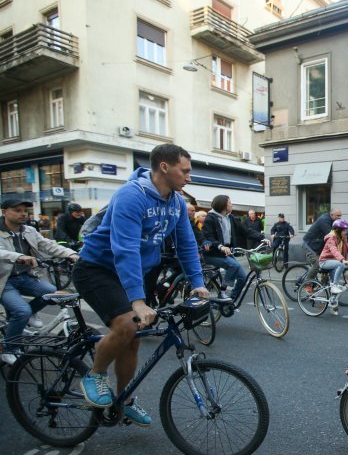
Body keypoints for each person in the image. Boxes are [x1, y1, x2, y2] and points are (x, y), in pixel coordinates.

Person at [72, 144, 208, 426]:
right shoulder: (130, 196)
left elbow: (186, 245)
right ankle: (94, 374)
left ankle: (124, 399)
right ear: (164, 167)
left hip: (135, 272)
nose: (189, 177)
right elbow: (125, 250)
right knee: (127, 324)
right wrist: (137, 300)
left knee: (132, 340)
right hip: (98, 269)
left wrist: (198, 284)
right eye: (185, 171)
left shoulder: (177, 202)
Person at [0, 199, 79, 365]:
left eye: (25, 210)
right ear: (4, 212)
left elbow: (48, 245)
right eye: (17, 210)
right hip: (5, 281)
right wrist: (19, 257)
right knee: (21, 311)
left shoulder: (28, 230)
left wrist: (70, 254)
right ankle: (10, 349)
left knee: (51, 293)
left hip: (26, 277)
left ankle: (29, 314)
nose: (23, 214)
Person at [202, 195, 267, 301]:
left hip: (226, 253)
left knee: (243, 277)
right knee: (233, 265)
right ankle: (222, 292)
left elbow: (245, 231)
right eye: (230, 203)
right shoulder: (211, 218)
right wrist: (221, 246)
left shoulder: (230, 217)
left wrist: (262, 238)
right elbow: (208, 236)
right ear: (223, 205)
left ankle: (231, 301)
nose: (232, 205)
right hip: (212, 253)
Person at [319, 219, 348, 315]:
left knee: (334, 285)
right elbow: (334, 250)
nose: (345, 232)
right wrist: (342, 260)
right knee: (338, 274)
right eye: (343, 230)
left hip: (335, 262)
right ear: (338, 230)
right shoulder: (331, 238)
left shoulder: (342, 239)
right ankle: (334, 286)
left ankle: (332, 304)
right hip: (325, 261)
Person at [302, 207, 342, 281]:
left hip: (318, 246)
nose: (339, 218)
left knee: (328, 263)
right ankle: (307, 283)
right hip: (309, 245)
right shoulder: (324, 220)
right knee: (317, 265)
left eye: (340, 216)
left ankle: (324, 281)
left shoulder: (333, 221)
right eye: (338, 216)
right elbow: (332, 235)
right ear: (332, 215)